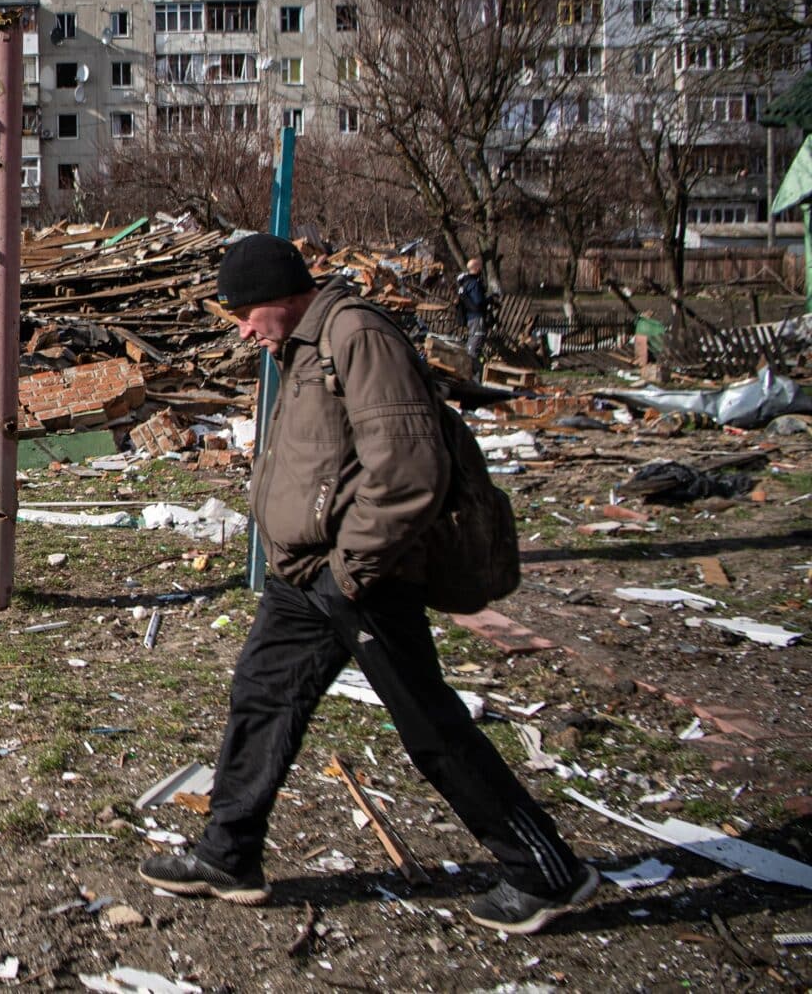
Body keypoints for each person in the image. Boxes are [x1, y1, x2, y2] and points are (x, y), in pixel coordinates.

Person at [137, 234, 597, 934]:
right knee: (261, 697)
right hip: (308, 576)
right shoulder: (306, 346)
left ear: (283, 297)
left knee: (428, 723)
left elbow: (408, 468)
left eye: (246, 313)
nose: (243, 330)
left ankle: (547, 872)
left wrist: (352, 568)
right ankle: (227, 855)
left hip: (360, 576)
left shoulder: (357, 336)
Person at [456, 256, 490, 367]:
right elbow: (478, 302)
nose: (481, 269)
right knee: (475, 343)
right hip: (476, 317)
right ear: (476, 268)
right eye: (479, 267)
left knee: (472, 341)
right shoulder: (474, 283)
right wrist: (489, 300)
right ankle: (470, 369)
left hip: (469, 317)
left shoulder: (464, 283)